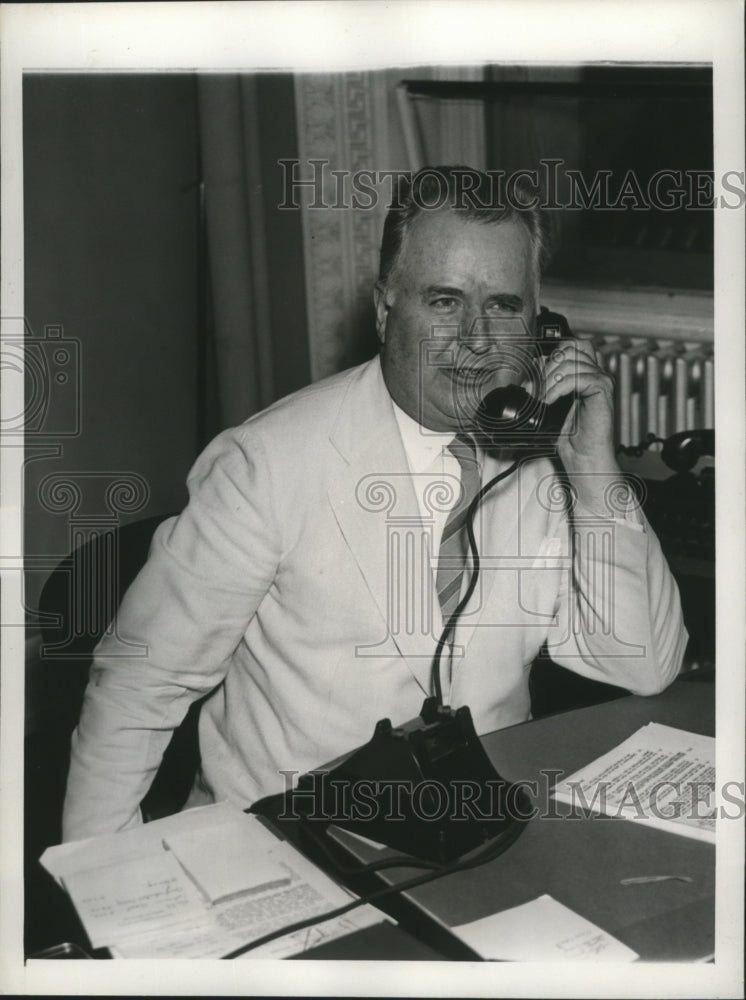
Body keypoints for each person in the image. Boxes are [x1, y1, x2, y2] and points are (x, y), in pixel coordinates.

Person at [62, 167, 687, 841]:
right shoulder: (267, 462)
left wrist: (593, 469)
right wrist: (100, 883)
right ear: (386, 311)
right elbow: (137, 689)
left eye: (504, 306)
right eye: (444, 301)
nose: (477, 339)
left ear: (541, 327)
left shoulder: (543, 463)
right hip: (292, 842)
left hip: (481, 835)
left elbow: (642, 663)